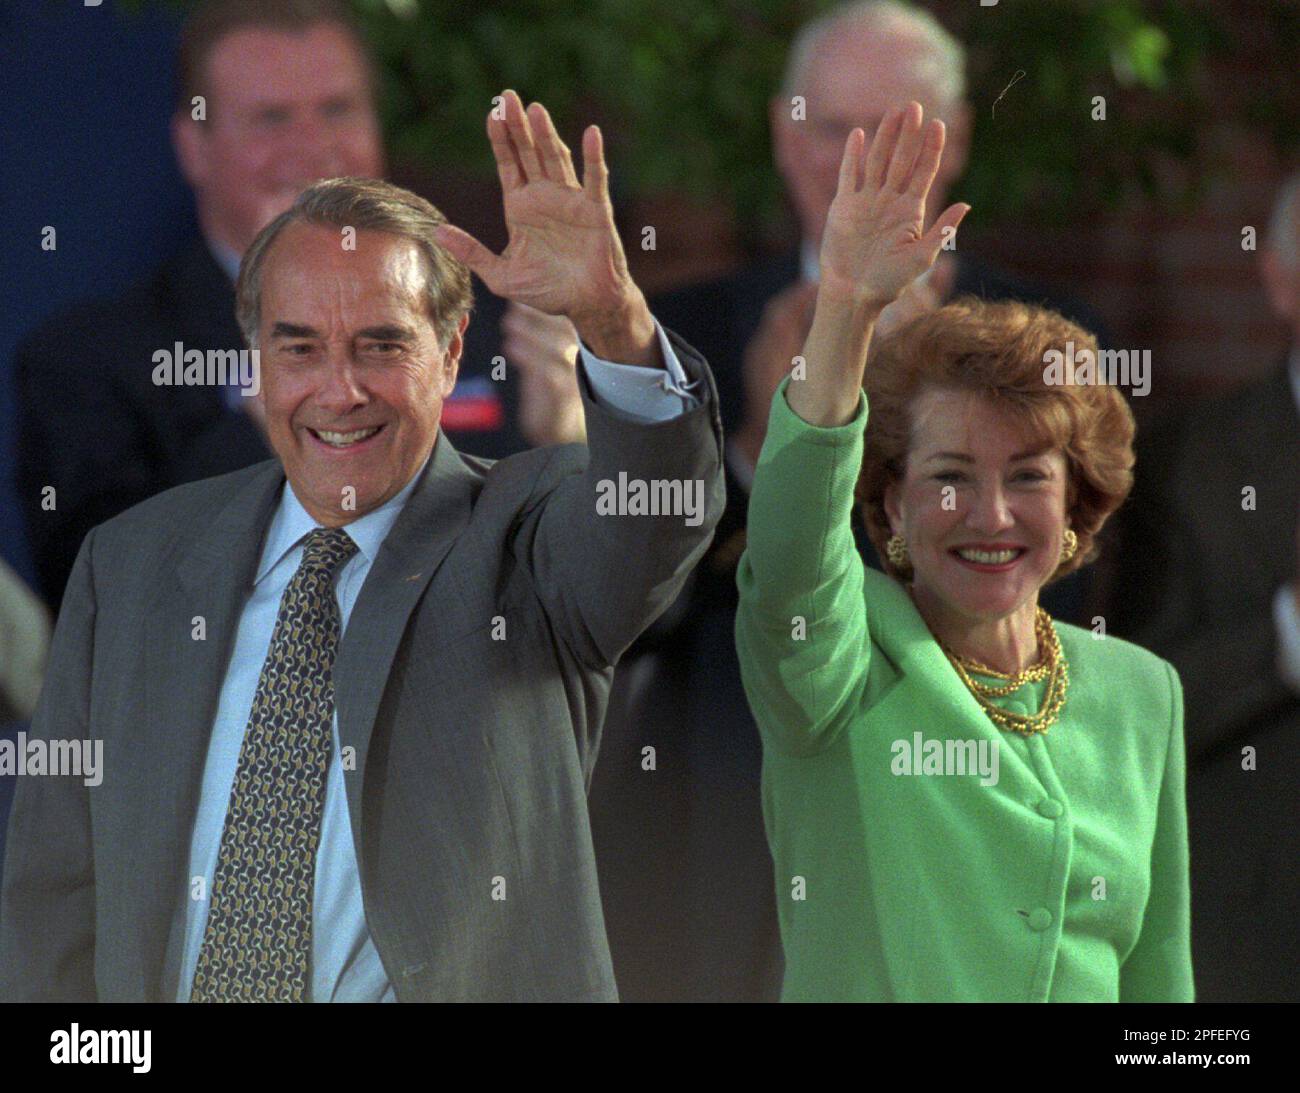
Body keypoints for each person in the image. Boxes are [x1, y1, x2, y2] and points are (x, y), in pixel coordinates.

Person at [0, 92, 723, 1002]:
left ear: (453, 350)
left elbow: (654, 521)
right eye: (299, 348)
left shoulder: (530, 532)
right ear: (256, 360)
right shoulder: (133, 561)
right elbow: (55, 893)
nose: (340, 391)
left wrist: (613, 321)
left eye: (381, 345)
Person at [734, 101, 1192, 1001]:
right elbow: (791, 548)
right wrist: (846, 310)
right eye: (948, 476)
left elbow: (1161, 991)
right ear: (893, 505)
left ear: (1076, 504)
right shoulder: (835, 661)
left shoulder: (1144, 692)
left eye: (1028, 476)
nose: (989, 513)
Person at [14, 0, 521, 613]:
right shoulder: (86, 361)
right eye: (271, 118)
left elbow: (619, 605)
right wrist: (269, 391)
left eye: (337, 110)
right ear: (193, 146)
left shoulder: (493, 324)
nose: (314, 150)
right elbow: (95, 604)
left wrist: (571, 444)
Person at [1108, 170, 1300, 1001]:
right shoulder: (1190, 463)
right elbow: (1127, 707)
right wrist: (1287, 634)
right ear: (1281, 280)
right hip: (1250, 943)